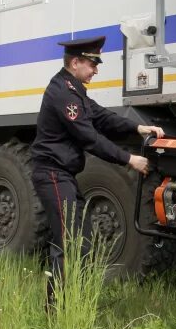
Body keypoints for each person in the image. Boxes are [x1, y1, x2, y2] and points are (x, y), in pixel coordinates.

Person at [29, 35, 164, 309]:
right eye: (92, 64)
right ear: (75, 62)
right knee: (71, 245)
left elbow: (100, 116)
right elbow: (89, 138)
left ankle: (69, 305)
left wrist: (137, 128)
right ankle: (57, 312)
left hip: (62, 175)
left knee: (80, 241)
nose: (96, 70)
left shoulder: (74, 88)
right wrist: (129, 159)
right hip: (54, 174)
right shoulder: (63, 92)